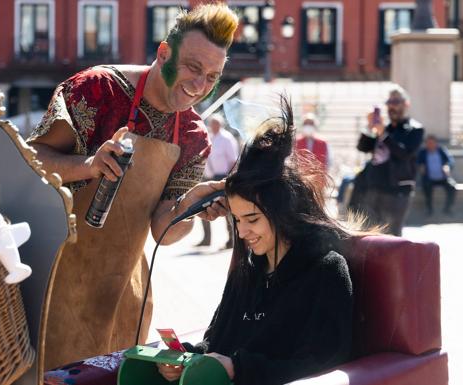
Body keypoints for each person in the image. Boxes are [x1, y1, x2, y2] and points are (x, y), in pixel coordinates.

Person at [28, 4, 238, 369]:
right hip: (53, 283)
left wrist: (192, 209)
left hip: (125, 295)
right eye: (192, 67)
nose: (199, 86)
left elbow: (163, 232)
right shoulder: (97, 89)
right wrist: (88, 166)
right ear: (163, 53)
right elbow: (30, 160)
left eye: (212, 76)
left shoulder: (193, 136)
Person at [158, 97, 354, 385]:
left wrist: (239, 369)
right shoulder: (248, 271)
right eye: (237, 220)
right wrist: (186, 359)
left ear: (282, 212)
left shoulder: (326, 271)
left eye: (252, 219)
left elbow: (321, 366)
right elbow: (216, 345)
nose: (242, 232)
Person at [354, 85, 424, 236]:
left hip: (397, 190)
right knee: (372, 235)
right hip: (374, 187)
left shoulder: (414, 129)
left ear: (406, 104)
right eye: (389, 102)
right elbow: (362, 147)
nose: (392, 106)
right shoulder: (384, 128)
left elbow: (404, 153)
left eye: (396, 101)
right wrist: (369, 127)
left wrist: (383, 135)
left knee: (392, 237)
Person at [198, 113, 239, 248]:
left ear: (221, 124)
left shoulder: (227, 139)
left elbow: (233, 160)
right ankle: (206, 239)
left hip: (223, 177)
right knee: (202, 207)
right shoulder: (208, 136)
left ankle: (231, 240)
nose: (213, 126)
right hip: (207, 177)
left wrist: (230, 179)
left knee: (226, 208)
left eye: (216, 123)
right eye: (212, 123)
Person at [417, 135, 456, 216]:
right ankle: (429, 209)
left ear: (436, 143)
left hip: (443, 178)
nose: (430, 145)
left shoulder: (441, 150)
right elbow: (418, 162)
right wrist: (421, 167)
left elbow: (450, 160)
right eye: (428, 143)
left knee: (452, 187)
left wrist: (447, 166)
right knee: (426, 187)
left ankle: (447, 208)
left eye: (432, 143)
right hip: (429, 178)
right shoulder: (422, 152)